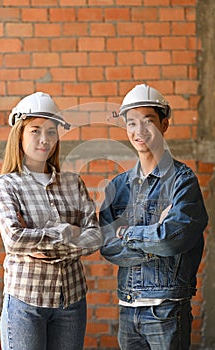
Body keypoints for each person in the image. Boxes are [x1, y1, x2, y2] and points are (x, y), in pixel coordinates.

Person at [99, 84, 208, 350]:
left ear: (164, 124)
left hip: (167, 310)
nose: (139, 131)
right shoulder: (118, 186)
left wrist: (127, 233)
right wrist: (156, 233)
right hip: (127, 308)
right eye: (132, 123)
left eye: (148, 122)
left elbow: (173, 241)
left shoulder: (183, 181)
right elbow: (105, 245)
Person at [0, 92, 102, 350]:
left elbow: (95, 236)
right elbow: (15, 240)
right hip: (25, 303)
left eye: (51, 132)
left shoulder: (72, 183)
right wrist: (67, 232)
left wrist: (41, 242)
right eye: (35, 130)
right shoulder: (6, 185)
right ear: (19, 133)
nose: (45, 139)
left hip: (71, 302)